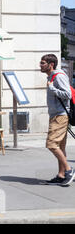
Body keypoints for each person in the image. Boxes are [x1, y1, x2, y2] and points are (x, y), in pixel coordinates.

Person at [40, 54, 74, 186]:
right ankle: (61, 175)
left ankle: (68, 170)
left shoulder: (59, 76)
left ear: (51, 64)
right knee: (60, 146)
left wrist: (52, 88)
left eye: (43, 63)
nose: (40, 65)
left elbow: (67, 94)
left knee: (51, 144)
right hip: (56, 115)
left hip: (60, 116)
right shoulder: (52, 77)